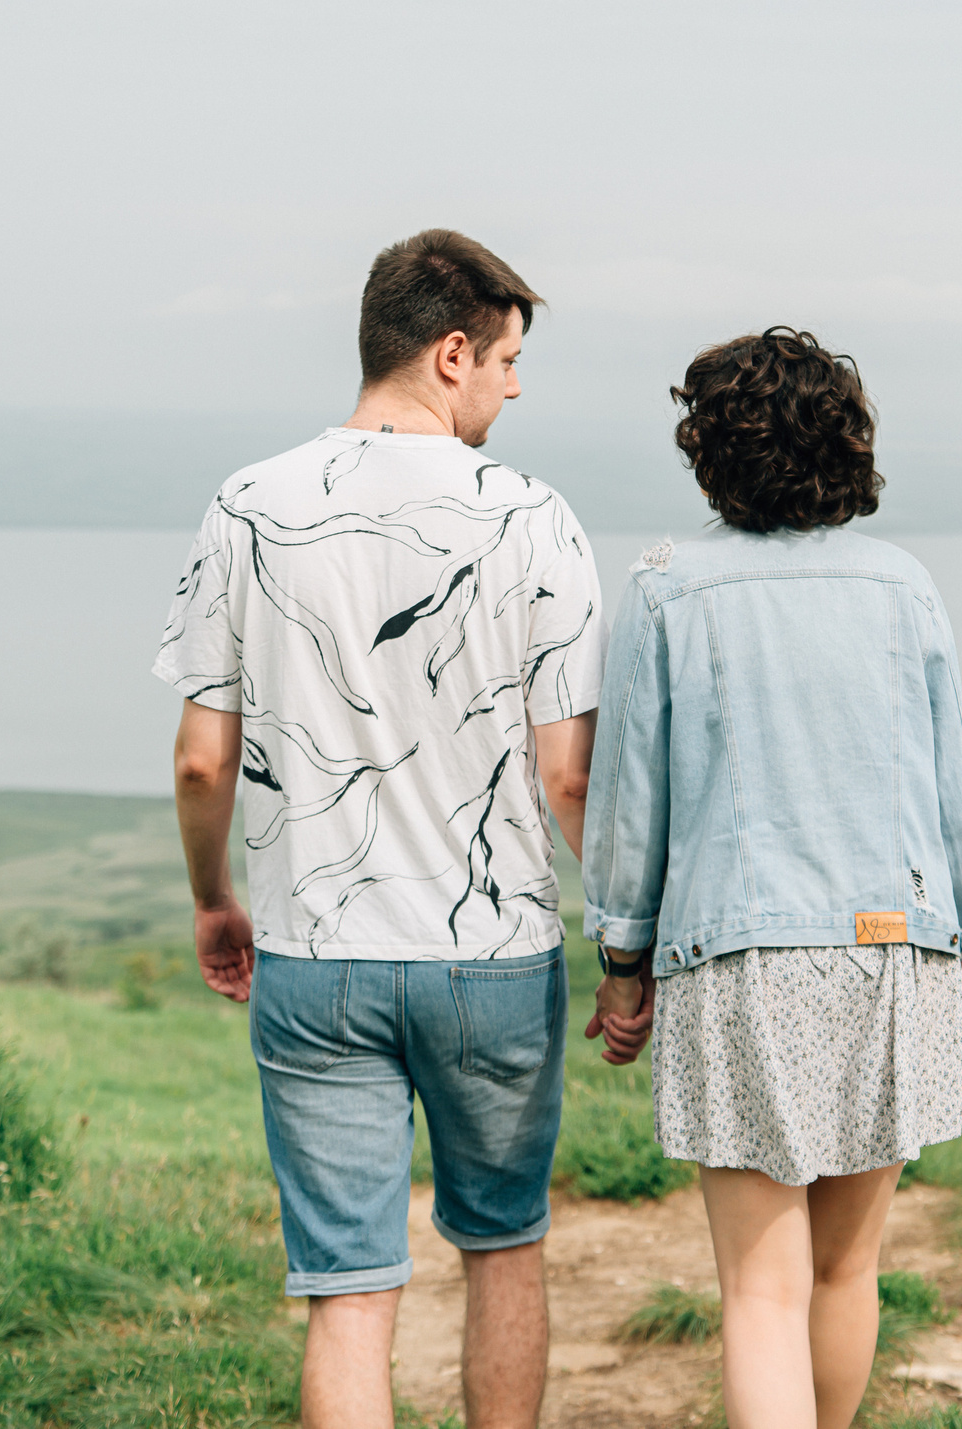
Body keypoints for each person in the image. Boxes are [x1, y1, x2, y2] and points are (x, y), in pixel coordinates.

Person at [154, 229, 616, 1429]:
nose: (514, 386)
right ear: (449, 351)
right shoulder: (534, 518)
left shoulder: (246, 504)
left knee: (348, 1290)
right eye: (508, 359)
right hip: (493, 956)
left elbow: (204, 757)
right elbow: (570, 780)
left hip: (314, 952)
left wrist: (213, 897)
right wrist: (629, 931)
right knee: (503, 1248)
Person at [578, 326, 962, 1429]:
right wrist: (958, 955)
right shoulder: (904, 585)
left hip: (743, 957)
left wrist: (622, 966)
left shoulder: (669, 587)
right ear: (845, 441)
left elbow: (629, 805)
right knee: (845, 1271)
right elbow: (949, 795)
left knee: (758, 1290)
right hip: (894, 944)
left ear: (710, 448)